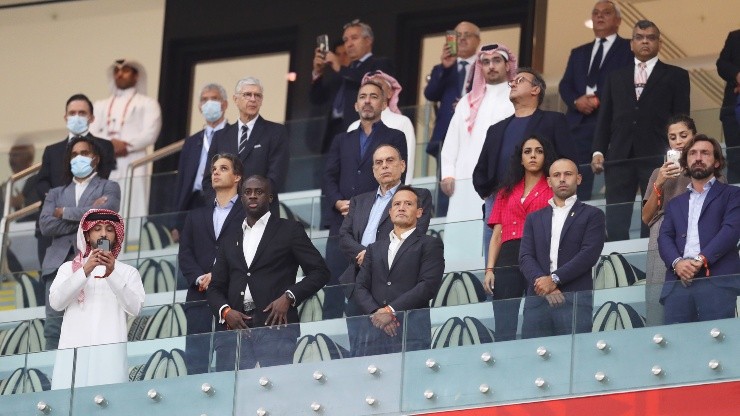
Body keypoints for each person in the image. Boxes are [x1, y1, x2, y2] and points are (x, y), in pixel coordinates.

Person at [207, 175, 329, 369]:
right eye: (247, 192)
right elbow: (215, 287)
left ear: (270, 197)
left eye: (259, 192)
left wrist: (289, 297)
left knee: (276, 392)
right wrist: (226, 311)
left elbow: (320, 271)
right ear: (241, 197)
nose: (253, 196)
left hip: (276, 325)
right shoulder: (229, 238)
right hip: (234, 329)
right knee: (231, 396)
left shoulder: (289, 230)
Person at [591, 20, 690, 241]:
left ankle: (652, 261)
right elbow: (604, 117)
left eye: (651, 37)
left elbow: (682, 118)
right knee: (616, 219)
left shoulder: (676, 75)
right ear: (631, 43)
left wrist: (681, 153)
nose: (645, 41)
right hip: (619, 156)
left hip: (657, 155)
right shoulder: (614, 77)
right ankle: (617, 264)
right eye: (639, 37)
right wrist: (598, 150)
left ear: (659, 43)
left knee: (654, 214)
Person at [473, 68, 577, 262]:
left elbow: (568, 160)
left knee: (543, 261)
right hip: (500, 202)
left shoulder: (554, 120)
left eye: (519, 80)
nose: (512, 83)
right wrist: (489, 194)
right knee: (495, 265)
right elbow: (481, 169)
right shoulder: (496, 129)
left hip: (542, 199)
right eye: (512, 82)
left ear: (535, 89)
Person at [338, 144, 432, 351]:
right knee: (361, 354)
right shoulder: (359, 201)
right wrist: (364, 255)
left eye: (390, 160)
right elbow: (344, 237)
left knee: (401, 355)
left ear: (403, 165)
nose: (384, 166)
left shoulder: (418, 196)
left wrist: (371, 256)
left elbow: (413, 235)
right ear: (373, 171)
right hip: (359, 285)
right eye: (379, 163)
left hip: (398, 285)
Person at [39, 136, 121, 350]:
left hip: (98, 258)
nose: (79, 158)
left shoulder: (109, 186)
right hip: (57, 263)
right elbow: (46, 225)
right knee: (53, 328)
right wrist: (87, 219)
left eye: (84, 153)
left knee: (95, 324)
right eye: (74, 155)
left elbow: (106, 214)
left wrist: (64, 213)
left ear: (95, 158)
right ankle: (52, 382)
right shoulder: (56, 193)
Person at [48, 208, 145, 389]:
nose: (103, 234)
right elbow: (56, 303)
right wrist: (84, 271)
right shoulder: (68, 268)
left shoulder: (128, 272)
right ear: (87, 235)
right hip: (73, 354)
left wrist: (112, 274)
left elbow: (135, 308)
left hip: (109, 356)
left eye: (109, 229)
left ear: (116, 236)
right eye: (97, 228)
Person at [322, 80, 408, 281]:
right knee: (333, 287)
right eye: (362, 97)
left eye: (374, 96)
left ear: (384, 104)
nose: (367, 101)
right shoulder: (341, 139)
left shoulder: (395, 136)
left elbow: (396, 178)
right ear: (355, 105)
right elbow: (328, 176)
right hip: (341, 221)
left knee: (374, 285)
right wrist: (338, 202)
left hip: (378, 221)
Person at [441, 44, 517, 261]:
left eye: (497, 61)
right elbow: (451, 140)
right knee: (462, 233)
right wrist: (448, 173)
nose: (491, 66)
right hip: (465, 178)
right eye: (485, 62)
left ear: (507, 65)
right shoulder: (467, 101)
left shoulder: (514, 97)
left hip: (502, 181)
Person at [518, 158, 606, 338]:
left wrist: (554, 279)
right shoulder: (534, 218)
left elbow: (589, 255)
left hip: (574, 301)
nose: (562, 179)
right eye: (557, 175)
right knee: (534, 360)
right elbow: (525, 257)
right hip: (537, 301)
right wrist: (544, 284)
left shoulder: (593, 215)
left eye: (568, 174)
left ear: (579, 179)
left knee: (575, 359)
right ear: (549, 181)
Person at [353, 186, 444, 356]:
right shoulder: (374, 248)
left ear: (419, 212)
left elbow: (427, 286)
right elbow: (360, 287)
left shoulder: (430, 244)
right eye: (397, 204)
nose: (401, 208)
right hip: (374, 334)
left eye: (408, 204)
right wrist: (377, 314)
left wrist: (390, 311)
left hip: (411, 332)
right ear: (390, 211)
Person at [658, 135, 740, 324]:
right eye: (693, 153)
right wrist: (678, 263)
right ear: (685, 162)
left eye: (705, 153)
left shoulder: (733, 195)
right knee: (677, 346)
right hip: (677, 282)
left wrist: (699, 260)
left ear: (717, 162)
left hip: (717, 280)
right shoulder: (675, 203)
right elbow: (664, 237)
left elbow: (731, 230)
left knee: (716, 345)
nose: (698, 158)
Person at [484, 136, 557, 341]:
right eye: (527, 151)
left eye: (539, 150)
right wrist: (489, 269)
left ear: (546, 156)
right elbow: (497, 234)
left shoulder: (553, 187)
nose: (533, 155)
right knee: (504, 322)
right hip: (507, 256)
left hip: (539, 254)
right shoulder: (505, 192)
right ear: (520, 159)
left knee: (535, 320)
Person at [558, 0, 633, 200]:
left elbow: (628, 81)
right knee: (577, 180)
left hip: (611, 123)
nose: (599, 16)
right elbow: (565, 85)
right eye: (596, 13)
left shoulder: (629, 48)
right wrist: (576, 101)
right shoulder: (578, 52)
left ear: (618, 20)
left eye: (606, 13)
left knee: (615, 184)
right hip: (578, 124)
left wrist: (599, 99)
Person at [178, 153, 244, 374]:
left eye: (223, 168)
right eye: (214, 168)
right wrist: (200, 278)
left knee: (229, 363)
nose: (215, 172)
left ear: (237, 177)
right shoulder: (196, 215)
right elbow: (185, 254)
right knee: (196, 365)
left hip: (232, 294)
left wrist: (218, 275)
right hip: (199, 296)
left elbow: (250, 250)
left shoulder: (248, 213)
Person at [35, 94, 117, 263]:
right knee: (53, 284)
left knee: (99, 276)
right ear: (65, 117)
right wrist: (54, 200)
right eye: (72, 113)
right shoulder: (52, 150)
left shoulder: (104, 146)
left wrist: (64, 212)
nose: (76, 117)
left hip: (95, 230)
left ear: (92, 117)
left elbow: (100, 189)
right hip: (54, 239)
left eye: (82, 112)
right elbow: (41, 182)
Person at [203, 77, 289, 216]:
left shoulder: (276, 132)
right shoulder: (220, 136)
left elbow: (276, 177)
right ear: (235, 99)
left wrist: (250, 202)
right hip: (224, 214)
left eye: (257, 95)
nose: (253, 99)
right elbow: (208, 179)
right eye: (247, 94)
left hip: (261, 213)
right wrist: (221, 204)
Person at [90, 59, 162, 221]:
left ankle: (130, 243)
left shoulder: (147, 103)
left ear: (136, 76)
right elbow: (91, 132)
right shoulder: (100, 105)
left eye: (125, 70)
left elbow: (150, 133)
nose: (120, 74)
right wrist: (110, 145)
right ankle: (104, 245)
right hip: (106, 161)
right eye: (116, 71)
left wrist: (126, 146)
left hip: (133, 159)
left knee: (133, 203)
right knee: (103, 207)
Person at [641, 115, 696, 326]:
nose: (678, 141)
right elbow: (646, 217)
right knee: (657, 301)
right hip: (661, 235)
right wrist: (660, 182)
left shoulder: (706, 167)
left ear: (694, 136)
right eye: (673, 137)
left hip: (694, 232)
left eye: (684, 135)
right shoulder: (658, 172)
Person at [310, 20, 394, 145]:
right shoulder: (342, 73)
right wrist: (318, 73)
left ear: (368, 40)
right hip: (333, 135)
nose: (348, 44)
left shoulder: (380, 63)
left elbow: (370, 82)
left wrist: (339, 67)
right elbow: (317, 99)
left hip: (362, 132)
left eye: (354, 38)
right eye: (346, 40)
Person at [172, 83, 230, 237]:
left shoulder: (234, 135)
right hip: (194, 202)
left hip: (222, 201)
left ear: (224, 104)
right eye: (205, 100)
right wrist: (176, 222)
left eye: (214, 98)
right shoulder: (192, 141)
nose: (209, 103)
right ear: (199, 107)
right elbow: (181, 182)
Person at [424, 21, 481, 161]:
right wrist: (445, 67)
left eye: (467, 35)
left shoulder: (484, 67)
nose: (461, 38)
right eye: (458, 35)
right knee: (445, 181)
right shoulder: (441, 68)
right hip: (446, 135)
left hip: (476, 132)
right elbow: (430, 94)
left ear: (478, 40)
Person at [348, 71, 416, 183]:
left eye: (378, 86)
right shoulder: (353, 126)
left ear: (389, 93)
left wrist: (403, 191)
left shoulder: (402, 122)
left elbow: (407, 162)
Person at [716, 29, 740, 183]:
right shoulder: (735, 37)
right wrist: (738, 75)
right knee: (736, 161)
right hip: (734, 112)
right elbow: (722, 64)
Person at [1, 142, 39, 222]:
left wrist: (23, 202)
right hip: (6, 230)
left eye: (15, 155)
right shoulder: (5, 186)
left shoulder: (39, 180)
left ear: (29, 158)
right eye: (10, 155)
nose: (11, 159)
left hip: (31, 228)